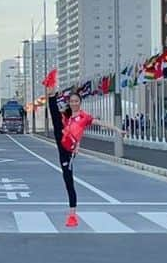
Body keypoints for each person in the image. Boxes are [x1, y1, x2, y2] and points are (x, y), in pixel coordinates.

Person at [41, 69, 122, 228]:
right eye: (71, 101)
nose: (74, 103)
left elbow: (100, 123)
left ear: (80, 102)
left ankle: (72, 215)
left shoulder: (84, 117)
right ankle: (50, 90)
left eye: (76, 101)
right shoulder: (66, 115)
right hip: (61, 136)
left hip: (67, 149)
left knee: (68, 179)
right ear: (69, 102)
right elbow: (59, 118)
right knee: (56, 116)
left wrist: (117, 130)